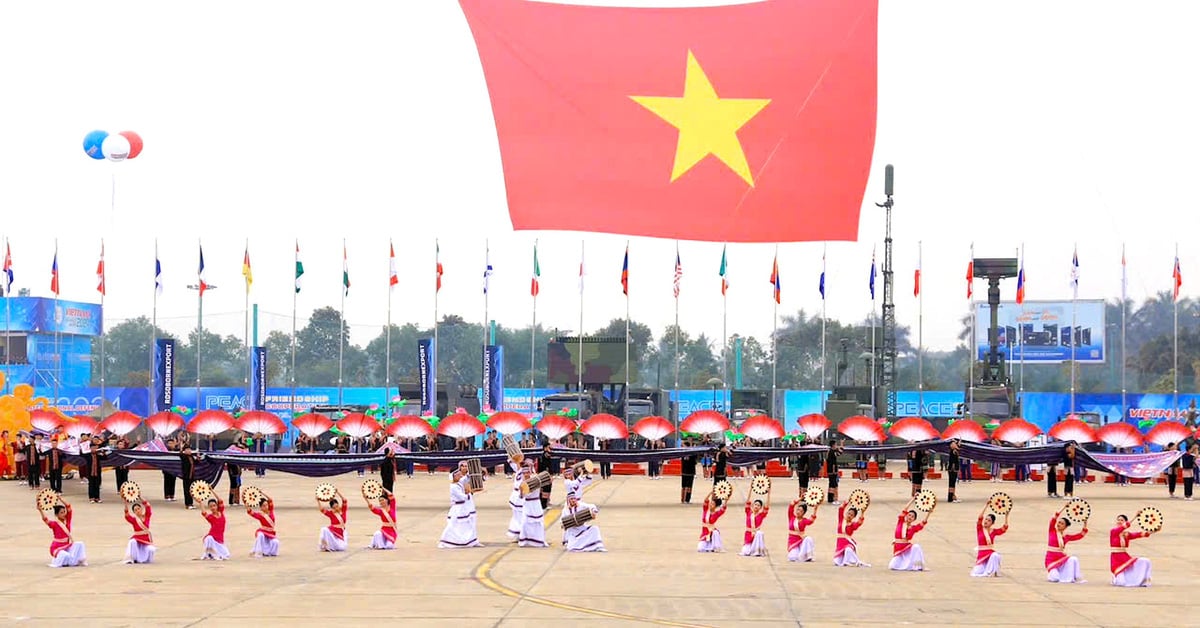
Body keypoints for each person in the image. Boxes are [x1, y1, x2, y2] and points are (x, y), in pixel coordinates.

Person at [439, 461, 483, 548]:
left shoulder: (459, 482)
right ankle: (445, 541)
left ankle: (471, 541)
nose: (460, 476)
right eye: (458, 475)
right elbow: (461, 497)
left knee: (469, 523)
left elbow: (467, 478)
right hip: (457, 509)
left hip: (464, 507)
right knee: (452, 525)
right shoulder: (454, 487)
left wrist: (479, 471)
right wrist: (469, 493)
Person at [1045, 504, 1088, 583]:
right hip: (1051, 559)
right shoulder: (1052, 531)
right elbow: (1053, 518)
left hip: (1061, 558)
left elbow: (1080, 535)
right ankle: (1054, 573)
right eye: (1059, 522)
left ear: (1065, 527)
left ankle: (1076, 577)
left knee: (1073, 559)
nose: (1059, 524)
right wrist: (1064, 507)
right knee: (1055, 578)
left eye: (1062, 523)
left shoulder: (1066, 537)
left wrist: (1085, 524)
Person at [41, 496, 87, 568]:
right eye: (61, 513)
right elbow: (45, 519)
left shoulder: (67, 520)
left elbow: (68, 506)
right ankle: (57, 563)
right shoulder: (54, 524)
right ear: (57, 515)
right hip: (56, 547)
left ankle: (80, 560)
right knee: (65, 555)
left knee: (80, 544)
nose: (64, 514)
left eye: (64, 512)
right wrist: (40, 510)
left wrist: (60, 499)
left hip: (66, 545)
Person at [889, 497, 932, 571]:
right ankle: (907, 565)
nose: (910, 517)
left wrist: (929, 513)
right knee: (892, 566)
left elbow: (923, 522)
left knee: (916, 547)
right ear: (906, 516)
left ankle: (919, 566)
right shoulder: (901, 521)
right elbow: (905, 509)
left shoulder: (913, 528)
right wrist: (913, 498)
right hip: (898, 549)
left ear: (914, 519)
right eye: (909, 515)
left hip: (906, 547)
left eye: (912, 517)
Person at [1110, 514, 1154, 587]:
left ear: (1125, 522)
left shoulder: (1126, 534)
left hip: (1125, 557)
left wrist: (1154, 530)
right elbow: (1126, 526)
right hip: (1116, 559)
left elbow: (1140, 534)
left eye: (1121, 520)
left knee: (1146, 561)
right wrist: (1135, 516)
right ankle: (1115, 577)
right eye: (1118, 520)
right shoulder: (1113, 531)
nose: (1119, 521)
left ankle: (1144, 580)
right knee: (1121, 583)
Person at [971, 503, 1009, 577]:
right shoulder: (980, 529)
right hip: (982, 556)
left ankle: (992, 571)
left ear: (992, 523)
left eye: (989, 520)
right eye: (986, 519)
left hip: (990, 553)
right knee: (976, 572)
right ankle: (987, 570)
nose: (986, 521)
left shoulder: (994, 531)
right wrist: (986, 505)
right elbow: (980, 518)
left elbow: (1004, 528)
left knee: (995, 555)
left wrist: (1006, 516)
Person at [518, 459, 548, 547]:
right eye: (524, 473)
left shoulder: (535, 480)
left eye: (527, 473)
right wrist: (520, 491)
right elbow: (521, 497)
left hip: (536, 503)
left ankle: (540, 540)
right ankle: (524, 540)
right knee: (524, 522)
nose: (526, 474)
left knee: (538, 522)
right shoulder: (522, 483)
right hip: (527, 504)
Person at [833, 501, 869, 567]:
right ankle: (845, 560)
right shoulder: (841, 520)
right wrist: (848, 501)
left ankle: (851, 561)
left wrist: (862, 512)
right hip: (840, 544)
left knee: (848, 550)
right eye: (848, 513)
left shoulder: (852, 525)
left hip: (848, 543)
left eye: (852, 515)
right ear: (846, 513)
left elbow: (859, 523)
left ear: (854, 517)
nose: (849, 515)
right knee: (837, 562)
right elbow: (841, 508)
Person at [123, 499, 156, 564]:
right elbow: (127, 516)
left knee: (151, 549)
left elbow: (148, 506)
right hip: (137, 538)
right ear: (134, 512)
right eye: (135, 510)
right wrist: (126, 504)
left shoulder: (147, 516)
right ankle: (133, 558)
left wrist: (140, 497)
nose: (138, 511)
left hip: (146, 539)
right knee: (132, 542)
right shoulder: (134, 520)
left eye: (138, 509)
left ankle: (144, 559)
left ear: (141, 509)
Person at [198, 496, 230, 560]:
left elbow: (220, 500)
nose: (213, 507)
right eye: (210, 506)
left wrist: (212, 490)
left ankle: (211, 554)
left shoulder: (221, 511)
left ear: (217, 506)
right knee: (209, 538)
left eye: (214, 505)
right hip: (211, 538)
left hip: (219, 540)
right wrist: (200, 502)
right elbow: (204, 513)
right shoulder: (210, 517)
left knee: (226, 555)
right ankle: (209, 554)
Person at [506, 453, 526, 541]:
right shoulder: (519, 470)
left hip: (520, 495)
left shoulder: (525, 473)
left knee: (519, 515)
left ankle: (519, 533)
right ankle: (518, 533)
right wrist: (515, 457)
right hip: (516, 495)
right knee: (518, 515)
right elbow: (510, 461)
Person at [180, 444, 200, 510]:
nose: (188, 451)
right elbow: (180, 454)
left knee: (191, 490)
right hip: (186, 477)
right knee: (186, 491)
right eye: (187, 450)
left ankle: (191, 503)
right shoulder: (184, 457)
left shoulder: (191, 457)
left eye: (189, 449)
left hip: (192, 476)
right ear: (184, 451)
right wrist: (181, 447)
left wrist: (198, 458)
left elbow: (196, 463)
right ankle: (187, 504)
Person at [86, 438, 105, 503]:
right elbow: (81, 455)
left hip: (97, 472)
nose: (93, 449)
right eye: (92, 448)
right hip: (90, 472)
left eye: (95, 448)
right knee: (91, 485)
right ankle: (91, 497)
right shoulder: (87, 455)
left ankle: (97, 497)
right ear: (90, 448)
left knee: (97, 485)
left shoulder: (98, 455)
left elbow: (105, 458)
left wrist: (103, 453)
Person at [163, 436, 179, 501]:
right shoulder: (165, 450)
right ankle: (167, 496)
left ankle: (172, 495)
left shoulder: (176, 451)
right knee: (167, 482)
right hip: (166, 469)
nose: (170, 444)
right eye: (169, 443)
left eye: (171, 443)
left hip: (174, 469)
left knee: (173, 482)